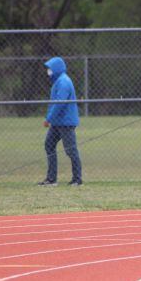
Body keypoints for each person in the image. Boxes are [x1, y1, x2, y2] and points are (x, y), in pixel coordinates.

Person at [38, 56, 83, 187]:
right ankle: (51, 179)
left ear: (57, 68)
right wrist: (51, 119)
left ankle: (77, 179)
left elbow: (59, 103)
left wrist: (48, 119)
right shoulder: (58, 81)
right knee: (49, 145)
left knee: (71, 150)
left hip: (66, 123)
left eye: (50, 68)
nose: (48, 71)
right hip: (58, 123)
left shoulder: (64, 82)